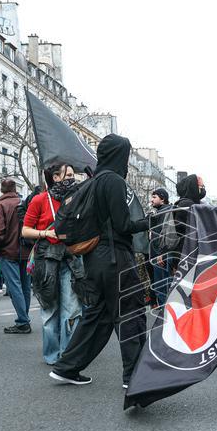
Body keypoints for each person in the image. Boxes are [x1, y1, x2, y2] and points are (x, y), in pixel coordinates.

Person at [50, 134, 151, 396]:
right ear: (121, 156)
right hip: (116, 257)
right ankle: (135, 375)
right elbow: (123, 225)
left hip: (94, 258)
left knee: (98, 316)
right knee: (130, 312)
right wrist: (151, 222)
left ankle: (66, 367)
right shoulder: (114, 181)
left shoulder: (92, 182)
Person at [23, 162, 83, 366]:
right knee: (50, 309)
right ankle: (52, 355)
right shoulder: (40, 199)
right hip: (46, 258)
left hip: (70, 257)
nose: (72, 178)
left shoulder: (77, 199)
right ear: (56, 177)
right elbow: (25, 230)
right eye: (68, 174)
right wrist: (46, 232)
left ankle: (67, 356)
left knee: (72, 309)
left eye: (73, 174)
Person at [0, 178, 32, 334]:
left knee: (15, 287)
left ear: (1, 189)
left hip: (8, 251)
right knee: (25, 287)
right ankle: (24, 318)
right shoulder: (24, 203)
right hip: (26, 250)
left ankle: (23, 321)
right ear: (15, 189)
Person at [147, 187, 172, 308]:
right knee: (160, 287)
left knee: (162, 287)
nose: (151, 200)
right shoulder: (160, 212)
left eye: (154, 197)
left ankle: (165, 314)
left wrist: (162, 253)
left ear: (162, 199)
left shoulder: (165, 212)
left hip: (161, 255)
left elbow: (166, 235)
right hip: (158, 254)